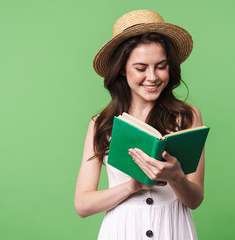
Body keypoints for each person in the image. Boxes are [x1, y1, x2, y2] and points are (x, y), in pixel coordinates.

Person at [74, 10, 205, 240]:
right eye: (141, 68)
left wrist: (175, 176)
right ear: (122, 70)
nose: (152, 77)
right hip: (122, 230)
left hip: (173, 229)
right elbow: (83, 204)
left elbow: (195, 200)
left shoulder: (187, 117)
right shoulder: (102, 124)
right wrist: (132, 186)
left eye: (161, 66)